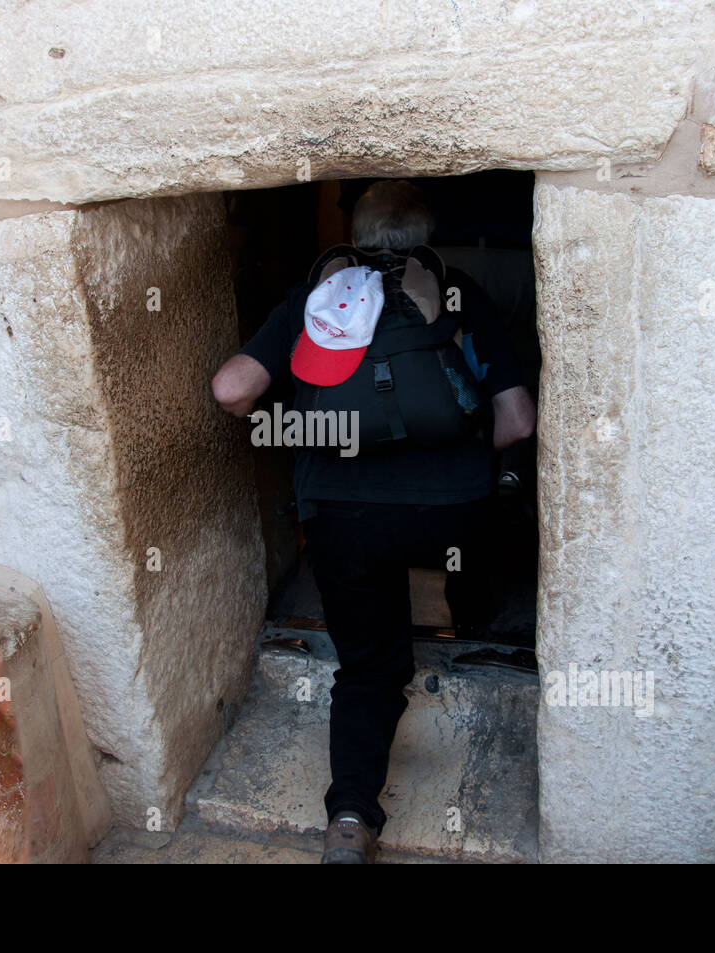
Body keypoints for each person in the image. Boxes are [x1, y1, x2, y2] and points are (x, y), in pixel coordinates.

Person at [210, 180, 536, 863]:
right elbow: (517, 420)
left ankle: (352, 818)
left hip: (343, 513)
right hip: (452, 508)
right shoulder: (456, 291)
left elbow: (231, 390)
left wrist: (297, 420)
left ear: (353, 234)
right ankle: (473, 631)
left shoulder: (314, 298)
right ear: (425, 234)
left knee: (368, 668)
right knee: (474, 557)